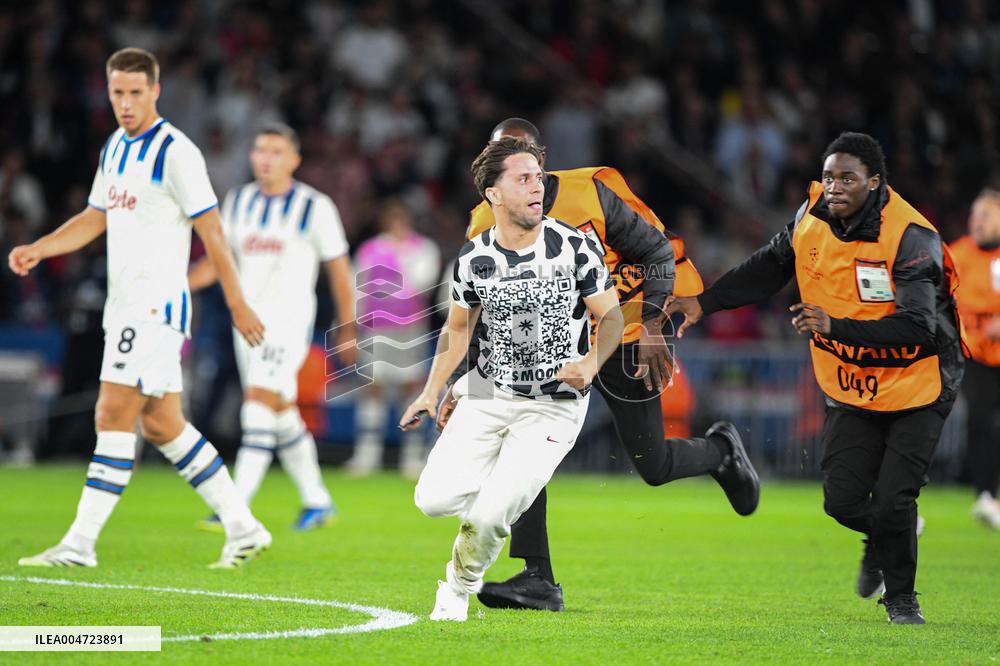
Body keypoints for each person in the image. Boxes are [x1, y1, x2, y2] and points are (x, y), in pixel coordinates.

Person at [439, 118, 760, 612]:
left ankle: (719, 451)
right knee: (518, 441)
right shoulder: (485, 223)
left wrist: (653, 326)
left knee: (652, 464)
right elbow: (487, 323)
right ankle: (538, 578)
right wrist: (465, 389)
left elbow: (655, 249)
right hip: (551, 350)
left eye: (524, 157)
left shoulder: (588, 193)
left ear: (541, 159)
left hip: (625, 329)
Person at [667, 132, 965, 625]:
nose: (834, 187)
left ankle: (902, 601)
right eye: (828, 176)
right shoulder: (810, 217)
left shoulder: (912, 236)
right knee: (842, 502)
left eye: (848, 178)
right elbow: (771, 265)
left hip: (919, 382)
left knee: (894, 499)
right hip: (851, 383)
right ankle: (894, 532)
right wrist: (706, 301)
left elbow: (920, 328)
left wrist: (833, 325)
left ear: (875, 181)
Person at [8, 48, 271, 569]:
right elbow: (94, 216)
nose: (125, 103)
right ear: (108, 93)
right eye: (116, 94)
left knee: (111, 412)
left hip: (153, 307)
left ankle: (80, 543)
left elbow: (212, 230)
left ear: (155, 90)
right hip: (123, 305)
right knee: (162, 425)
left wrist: (237, 302)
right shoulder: (115, 147)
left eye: (135, 93)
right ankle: (245, 528)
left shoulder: (175, 151)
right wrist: (42, 246)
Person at [401, 136, 624, 622]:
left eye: (538, 178)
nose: (536, 186)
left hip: (555, 404)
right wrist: (433, 389)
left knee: (487, 515)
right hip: (489, 392)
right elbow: (458, 330)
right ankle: (497, 499)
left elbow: (612, 319)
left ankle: (455, 590)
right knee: (432, 500)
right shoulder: (473, 258)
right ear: (494, 194)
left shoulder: (575, 246)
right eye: (522, 179)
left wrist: (590, 365)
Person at [189, 122, 355, 532]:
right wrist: (177, 285)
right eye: (260, 150)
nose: (266, 158)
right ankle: (317, 500)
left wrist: (348, 326)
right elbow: (219, 261)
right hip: (244, 320)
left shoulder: (315, 206)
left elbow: (339, 270)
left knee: (259, 400)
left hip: (288, 321)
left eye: (276, 151)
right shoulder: (239, 201)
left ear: (295, 159)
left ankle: (234, 505)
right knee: (278, 409)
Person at [344, 198, 441, 478]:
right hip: (375, 328)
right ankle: (367, 455)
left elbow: (423, 283)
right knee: (372, 386)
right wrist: (350, 324)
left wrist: (397, 263)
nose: (397, 225)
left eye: (402, 219)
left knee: (412, 387)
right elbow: (357, 287)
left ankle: (411, 459)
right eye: (392, 219)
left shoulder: (422, 248)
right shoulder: (371, 248)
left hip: (409, 328)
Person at [949, 189, 1000, 528]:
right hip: (976, 354)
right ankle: (984, 495)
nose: (976, 222)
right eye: (974, 215)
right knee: (981, 422)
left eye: (985, 215)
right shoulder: (957, 255)